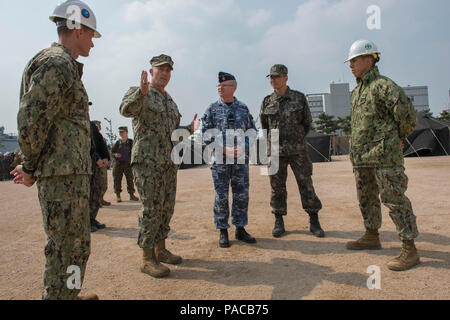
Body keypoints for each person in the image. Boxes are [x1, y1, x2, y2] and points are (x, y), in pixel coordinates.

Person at [11, 0, 100, 300]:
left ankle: (69, 295)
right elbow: (31, 120)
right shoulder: (56, 63)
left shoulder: (65, 66)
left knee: (76, 247)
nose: (92, 41)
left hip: (70, 175)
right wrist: (31, 166)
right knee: (64, 248)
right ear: (76, 29)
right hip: (60, 177)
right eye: (90, 34)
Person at [120, 54, 200, 278]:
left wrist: (190, 129)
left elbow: (174, 134)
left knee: (166, 207)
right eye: (160, 69)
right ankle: (147, 258)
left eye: (168, 70)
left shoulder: (170, 101)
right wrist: (141, 93)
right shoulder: (139, 92)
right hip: (147, 163)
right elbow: (125, 109)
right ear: (151, 71)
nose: (165, 73)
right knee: (151, 209)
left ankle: (161, 249)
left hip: (168, 163)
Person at [345, 40, 420, 271]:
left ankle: (410, 248)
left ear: (370, 59)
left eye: (355, 61)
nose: (351, 66)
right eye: (350, 62)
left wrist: (395, 141)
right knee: (366, 198)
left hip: (384, 157)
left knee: (395, 199)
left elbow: (408, 116)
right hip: (362, 158)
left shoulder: (384, 86)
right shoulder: (357, 92)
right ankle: (371, 234)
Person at [259, 64, 325, 238]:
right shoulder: (267, 101)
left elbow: (307, 123)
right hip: (275, 151)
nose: (273, 80)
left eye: (277, 76)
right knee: (276, 188)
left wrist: (295, 138)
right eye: (271, 77)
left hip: (297, 150)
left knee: (306, 184)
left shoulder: (299, 98)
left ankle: (314, 220)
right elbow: (264, 127)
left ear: (286, 77)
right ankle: (279, 220)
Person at [202, 72, 257, 248]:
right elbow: (205, 134)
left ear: (233, 87)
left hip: (240, 160)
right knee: (222, 195)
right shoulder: (211, 109)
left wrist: (244, 147)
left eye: (224, 85)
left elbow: (252, 131)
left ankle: (240, 228)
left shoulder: (243, 109)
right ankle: (223, 230)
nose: (220, 87)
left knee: (241, 194)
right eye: (218, 85)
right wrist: (223, 148)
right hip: (220, 161)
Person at [89, 120, 110, 232]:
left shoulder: (91, 125)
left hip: (98, 164)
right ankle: (86, 221)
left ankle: (92, 218)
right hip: (89, 164)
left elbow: (100, 143)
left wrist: (106, 157)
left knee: (97, 191)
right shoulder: (79, 123)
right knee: (87, 194)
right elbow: (87, 144)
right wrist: (96, 159)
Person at [111, 126, 138, 203]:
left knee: (130, 179)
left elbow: (135, 152)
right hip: (118, 164)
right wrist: (115, 154)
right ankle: (118, 196)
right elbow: (112, 152)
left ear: (127, 132)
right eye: (120, 132)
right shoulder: (117, 143)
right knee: (117, 179)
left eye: (122, 132)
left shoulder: (130, 142)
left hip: (127, 164)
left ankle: (131, 195)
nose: (121, 134)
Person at [93, 120, 111, 207]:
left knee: (103, 184)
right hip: (94, 163)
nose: (99, 127)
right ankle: (96, 201)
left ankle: (100, 199)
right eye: (97, 126)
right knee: (95, 185)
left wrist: (106, 158)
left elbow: (103, 147)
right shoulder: (89, 134)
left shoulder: (100, 137)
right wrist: (96, 158)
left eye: (99, 126)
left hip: (102, 163)